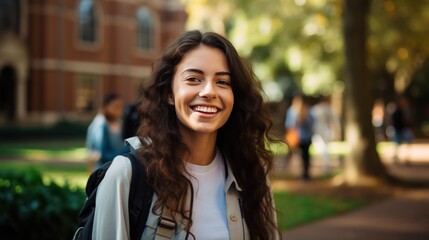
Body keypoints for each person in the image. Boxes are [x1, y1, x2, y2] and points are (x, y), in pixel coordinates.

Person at [91, 30, 280, 239]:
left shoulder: (252, 173)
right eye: (193, 79)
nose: (209, 91)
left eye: (223, 82)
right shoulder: (126, 174)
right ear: (168, 93)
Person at [85, 93, 129, 172]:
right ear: (106, 106)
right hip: (103, 171)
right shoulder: (100, 125)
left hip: (117, 168)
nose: (119, 109)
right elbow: (102, 154)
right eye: (116, 106)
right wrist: (128, 150)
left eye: (121, 106)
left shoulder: (119, 122)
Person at [285, 93, 314, 181]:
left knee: (305, 156)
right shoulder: (292, 111)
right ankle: (296, 172)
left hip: (305, 137)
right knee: (297, 155)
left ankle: (305, 174)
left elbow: (312, 123)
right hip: (296, 138)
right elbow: (289, 124)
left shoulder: (308, 110)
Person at [311, 95, 340, 175]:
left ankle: (326, 165)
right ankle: (326, 164)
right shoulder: (326, 109)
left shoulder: (317, 109)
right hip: (324, 130)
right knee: (323, 147)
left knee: (323, 148)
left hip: (321, 130)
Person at [391, 95, 413, 163]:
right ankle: (396, 156)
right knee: (397, 143)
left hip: (403, 129)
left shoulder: (405, 111)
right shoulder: (398, 111)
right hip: (399, 129)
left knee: (407, 142)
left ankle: (406, 157)